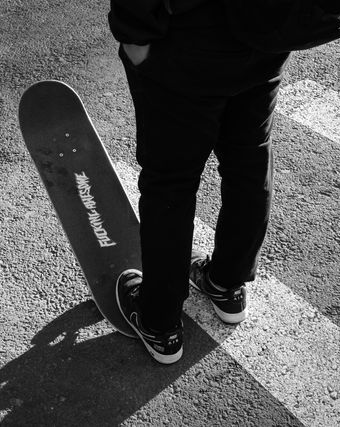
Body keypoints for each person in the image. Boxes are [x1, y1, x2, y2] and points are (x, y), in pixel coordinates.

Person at [110, 0, 291, 364]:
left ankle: (159, 323)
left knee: (170, 181)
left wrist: (134, 36)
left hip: (188, 43)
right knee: (249, 160)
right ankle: (227, 283)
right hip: (269, 31)